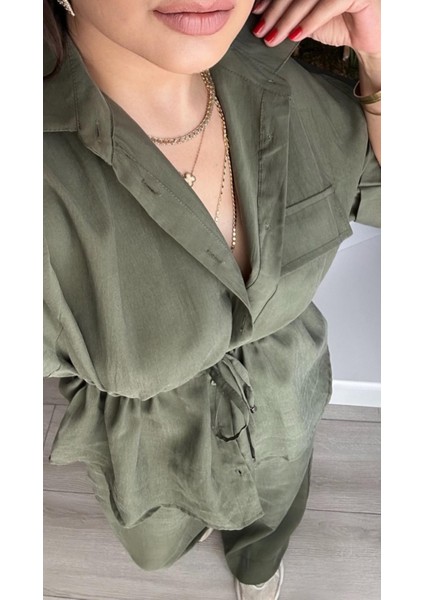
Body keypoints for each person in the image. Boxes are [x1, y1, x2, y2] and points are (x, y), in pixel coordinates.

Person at [43, 0, 381, 598]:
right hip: (150, 454)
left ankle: (257, 564)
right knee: (158, 542)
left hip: (287, 404)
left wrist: (381, 61)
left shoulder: (303, 84)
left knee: (273, 515)